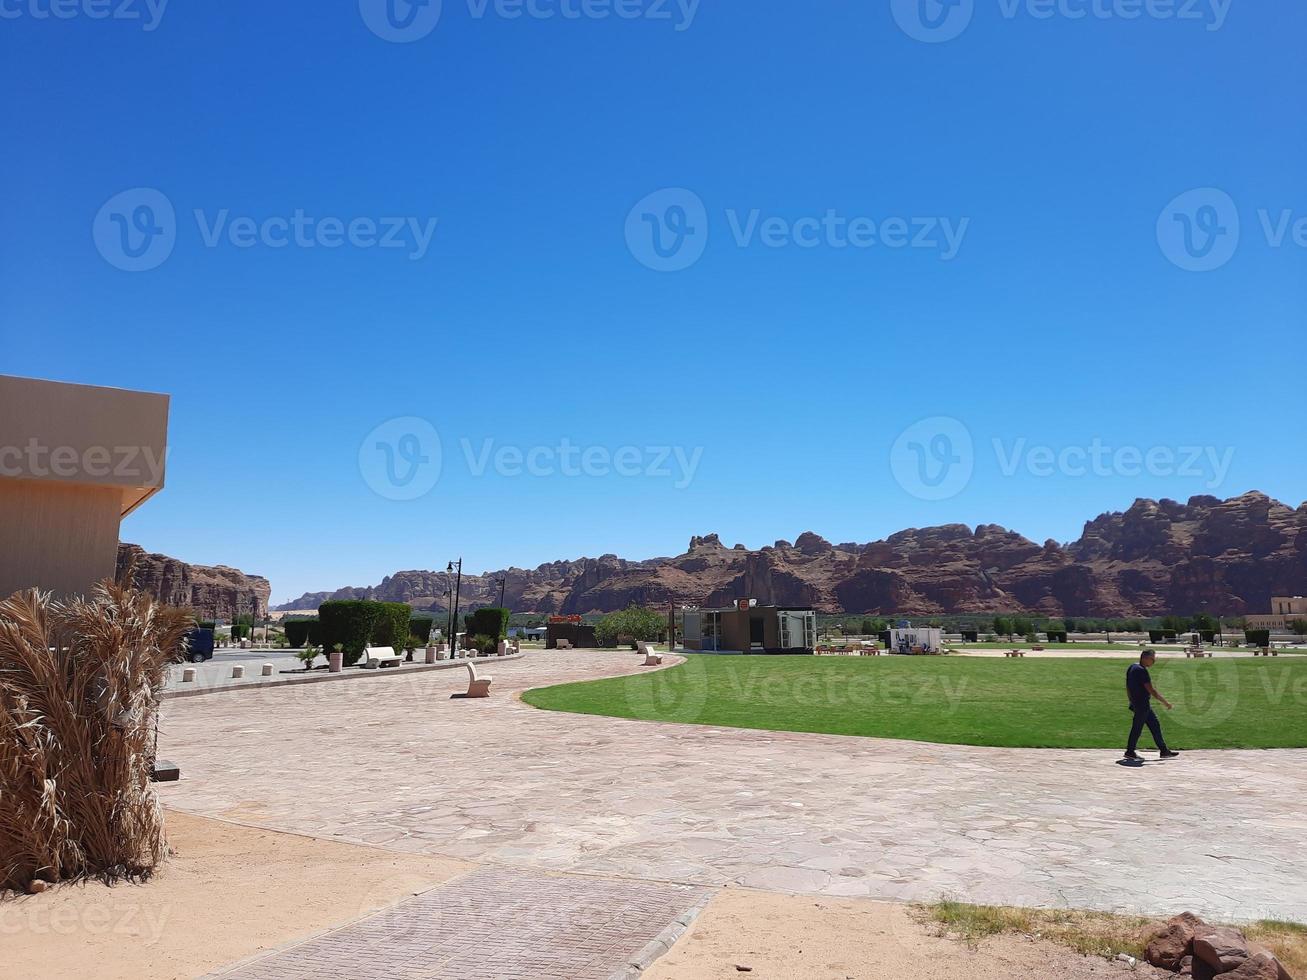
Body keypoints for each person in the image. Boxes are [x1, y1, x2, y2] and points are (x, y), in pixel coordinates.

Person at [1125, 650, 1180, 760]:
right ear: (1145, 658)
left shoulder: (1132, 667)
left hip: (1139, 703)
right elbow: (1151, 690)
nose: (1154, 662)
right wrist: (1166, 703)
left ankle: (1164, 750)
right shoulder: (1142, 671)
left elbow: (1127, 686)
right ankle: (1130, 751)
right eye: (1152, 659)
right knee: (1137, 728)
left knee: (1155, 725)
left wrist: (1131, 700)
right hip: (1142, 705)